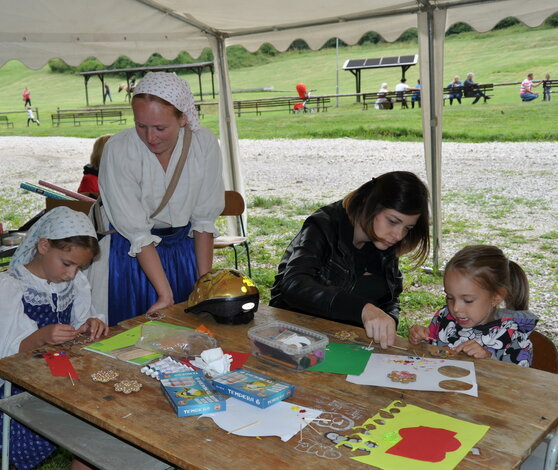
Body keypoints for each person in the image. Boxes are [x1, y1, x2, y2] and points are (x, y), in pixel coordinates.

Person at [87, 72, 225, 326]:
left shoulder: (203, 144)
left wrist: (205, 286)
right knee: (132, 340)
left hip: (184, 249)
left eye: (160, 128)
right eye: (141, 126)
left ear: (183, 118)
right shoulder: (119, 150)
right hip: (129, 255)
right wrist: (164, 293)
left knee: (187, 336)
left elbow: (204, 220)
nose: (150, 138)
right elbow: (137, 232)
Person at [0, 206, 108, 470]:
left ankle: (89, 457)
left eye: (79, 267)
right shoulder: (11, 287)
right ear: (44, 246)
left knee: (103, 415)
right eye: (67, 264)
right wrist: (41, 337)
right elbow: (6, 355)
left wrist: (90, 325)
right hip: (19, 386)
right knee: (78, 419)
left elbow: (81, 321)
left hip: (62, 374)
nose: (71, 274)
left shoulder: (75, 282)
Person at [270, 171, 430, 349]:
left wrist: (387, 322)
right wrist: (363, 309)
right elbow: (294, 284)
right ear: (368, 204)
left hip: (351, 344)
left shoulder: (384, 241)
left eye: (408, 228)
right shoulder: (323, 225)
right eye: (392, 221)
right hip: (297, 339)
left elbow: (390, 298)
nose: (399, 235)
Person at [409, 245, 537, 367]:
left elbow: (518, 382)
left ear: (496, 297)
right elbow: (431, 351)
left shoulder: (514, 338)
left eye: (468, 300)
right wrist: (421, 340)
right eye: (450, 297)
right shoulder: (444, 318)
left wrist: (488, 360)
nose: (455, 308)